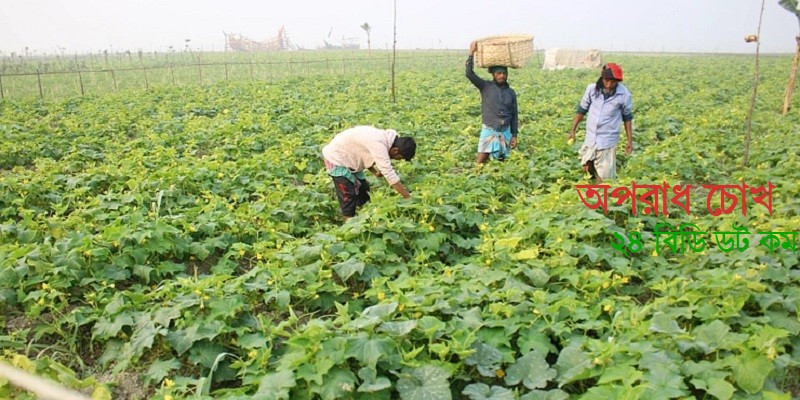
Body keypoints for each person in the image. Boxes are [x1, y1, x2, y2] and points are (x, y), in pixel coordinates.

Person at [321, 126, 416, 220]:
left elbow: (364, 151)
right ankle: (348, 223)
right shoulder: (379, 143)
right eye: (398, 158)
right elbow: (388, 173)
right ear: (395, 150)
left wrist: (374, 172)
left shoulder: (387, 139)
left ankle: (361, 214)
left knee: (363, 190)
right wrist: (407, 197)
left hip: (350, 157)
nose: (397, 160)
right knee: (348, 194)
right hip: (336, 157)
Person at [568, 63, 634, 183]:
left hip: (607, 139)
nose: (609, 85)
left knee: (604, 176)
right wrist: (573, 130)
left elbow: (627, 118)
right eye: (607, 81)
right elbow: (582, 110)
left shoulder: (624, 94)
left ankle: (601, 194)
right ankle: (593, 182)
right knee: (586, 166)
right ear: (602, 78)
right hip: (591, 136)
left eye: (613, 82)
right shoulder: (592, 90)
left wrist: (629, 141)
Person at [466, 41, 519, 164]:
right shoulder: (485, 86)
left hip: (505, 131)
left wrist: (514, 135)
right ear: (494, 75)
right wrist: (471, 53)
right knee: (481, 160)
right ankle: (475, 179)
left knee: (502, 162)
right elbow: (469, 74)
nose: (502, 76)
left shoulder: (511, 92)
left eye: (504, 73)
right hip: (489, 129)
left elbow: (514, 115)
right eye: (499, 73)